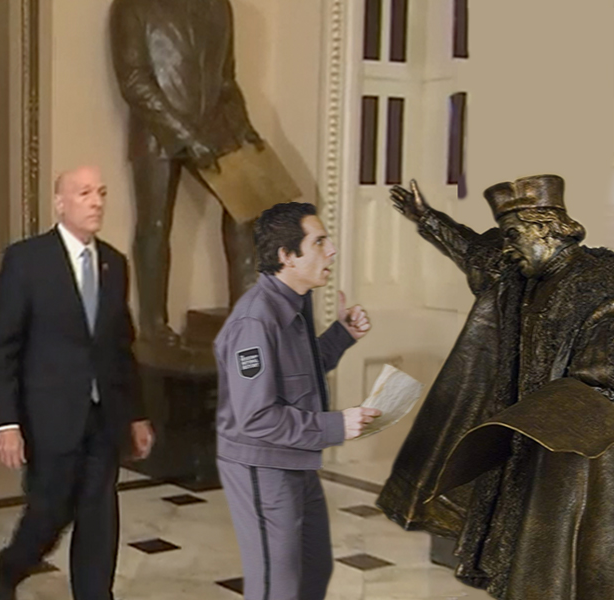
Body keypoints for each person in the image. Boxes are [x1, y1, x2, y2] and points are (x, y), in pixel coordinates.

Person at [376, 177, 614, 599]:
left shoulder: (601, 282)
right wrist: (426, 218)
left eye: (513, 236)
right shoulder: (514, 274)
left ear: (545, 229)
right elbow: (471, 248)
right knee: (514, 537)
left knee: (562, 549)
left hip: (573, 445)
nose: (507, 247)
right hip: (518, 432)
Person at [0, 165, 155, 600]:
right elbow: (3, 348)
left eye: (101, 192)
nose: (96, 202)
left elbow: (121, 348)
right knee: (49, 514)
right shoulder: (26, 261)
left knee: (99, 517)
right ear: (60, 203)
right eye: (84, 193)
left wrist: (136, 415)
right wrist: (6, 423)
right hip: (49, 418)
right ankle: (11, 567)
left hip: (103, 419)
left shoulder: (114, 264)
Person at [215, 202, 377, 600]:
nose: (331, 251)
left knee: (314, 568)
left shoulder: (294, 302)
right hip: (262, 462)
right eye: (319, 242)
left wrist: (342, 335)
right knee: (278, 585)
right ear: (287, 256)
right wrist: (336, 425)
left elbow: (298, 371)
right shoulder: (255, 320)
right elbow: (256, 417)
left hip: (296, 456)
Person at [110, 0, 264, 346]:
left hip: (212, 128)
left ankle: (245, 319)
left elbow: (226, 81)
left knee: (245, 208)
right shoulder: (132, 6)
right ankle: (153, 326)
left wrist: (243, 126)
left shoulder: (219, 6)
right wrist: (185, 136)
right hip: (156, 133)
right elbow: (134, 81)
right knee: (154, 226)